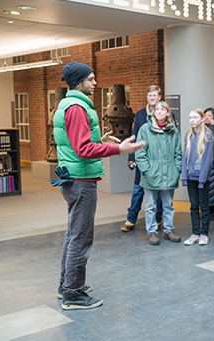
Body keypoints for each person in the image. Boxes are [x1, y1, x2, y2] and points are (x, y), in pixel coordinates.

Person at [54, 61, 144, 310]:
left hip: (75, 178)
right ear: (79, 81)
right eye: (91, 79)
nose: (95, 83)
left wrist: (100, 139)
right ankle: (73, 293)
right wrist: (118, 148)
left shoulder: (69, 104)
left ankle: (66, 286)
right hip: (81, 181)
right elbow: (83, 150)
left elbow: (78, 143)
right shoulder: (76, 108)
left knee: (73, 235)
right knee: (80, 237)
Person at [135, 101, 182, 246]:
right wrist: (147, 170)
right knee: (150, 206)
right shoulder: (145, 129)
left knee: (168, 204)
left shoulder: (173, 130)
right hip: (151, 174)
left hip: (169, 173)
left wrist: (176, 169)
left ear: (168, 112)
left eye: (163, 109)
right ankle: (152, 232)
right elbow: (140, 152)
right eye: (157, 109)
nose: (160, 111)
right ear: (153, 112)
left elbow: (178, 153)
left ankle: (169, 230)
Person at [121, 86, 164, 232]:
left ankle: (158, 218)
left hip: (159, 161)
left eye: (154, 96)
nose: (152, 98)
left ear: (159, 97)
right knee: (138, 190)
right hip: (142, 159)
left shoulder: (165, 114)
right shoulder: (139, 115)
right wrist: (131, 157)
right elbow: (134, 135)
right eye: (149, 96)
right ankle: (131, 218)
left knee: (158, 191)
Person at [181, 108, 214, 246]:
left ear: (201, 119)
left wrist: (202, 179)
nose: (192, 120)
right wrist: (184, 175)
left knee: (204, 206)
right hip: (190, 177)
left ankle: (204, 234)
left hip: (202, 178)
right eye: (190, 118)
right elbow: (184, 157)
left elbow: (208, 159)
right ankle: (195, 232)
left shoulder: (208, 136)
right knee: (194, 206)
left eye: (195, 117)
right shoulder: (188, 135)